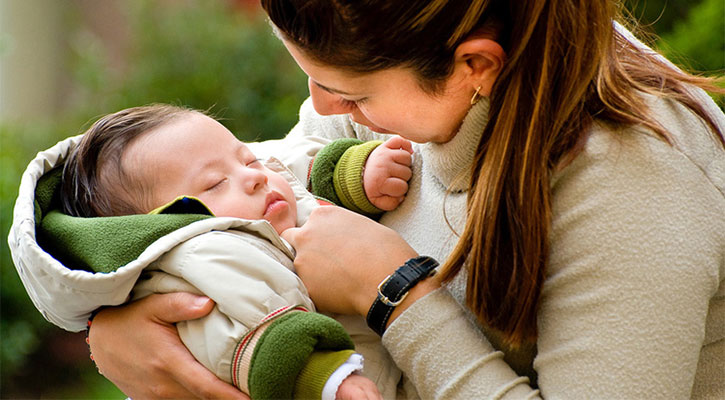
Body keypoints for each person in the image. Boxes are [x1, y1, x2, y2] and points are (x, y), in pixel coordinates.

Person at [9, 0, 725, 398]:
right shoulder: (402, 58)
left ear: (475, 65)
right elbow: (226, 199)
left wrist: (397, 296)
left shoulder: (633, 183)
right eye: (314, 80)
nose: (324, 109)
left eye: (350, 93)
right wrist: (124, 326)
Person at [20, 103, 414, 399]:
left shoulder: (259, 203)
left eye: (246, 159)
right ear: (170, 221)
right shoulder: (203, 261)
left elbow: (285, 162)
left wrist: (348, 174)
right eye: (214, 184)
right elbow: (252, 329)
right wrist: (327, 378)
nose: (254, 177)